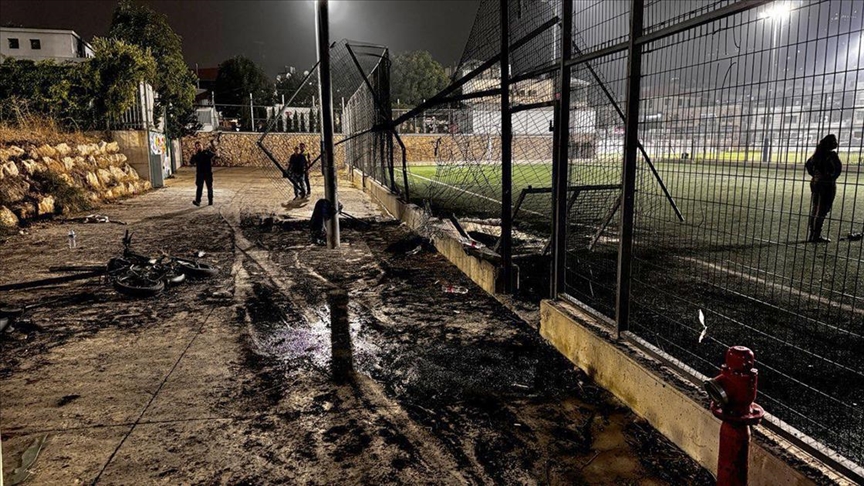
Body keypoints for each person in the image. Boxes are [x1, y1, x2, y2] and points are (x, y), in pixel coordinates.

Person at [805, 134, 842, 243]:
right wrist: (829, 177)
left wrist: (814, 175)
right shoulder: (832, 155)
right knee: (823, 209)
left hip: (815, 183)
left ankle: (813, 234)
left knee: (816, 207)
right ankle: (816, 236)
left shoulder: (817, 154)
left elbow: (808, 165)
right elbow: (838, 170)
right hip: (826, 185)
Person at [190, 141, 216, 206]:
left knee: (209, 187)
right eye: (196, 146)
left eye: (199, 145)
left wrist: (214, 150)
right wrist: (193, 155)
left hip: (208, 173)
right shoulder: (196, 155)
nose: (198, 147)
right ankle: (198, 201)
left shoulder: (206, 152)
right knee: (199, 188)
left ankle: (210, 201)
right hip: (200, 174)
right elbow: (191, 162)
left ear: (202, 145)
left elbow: (214, 155)